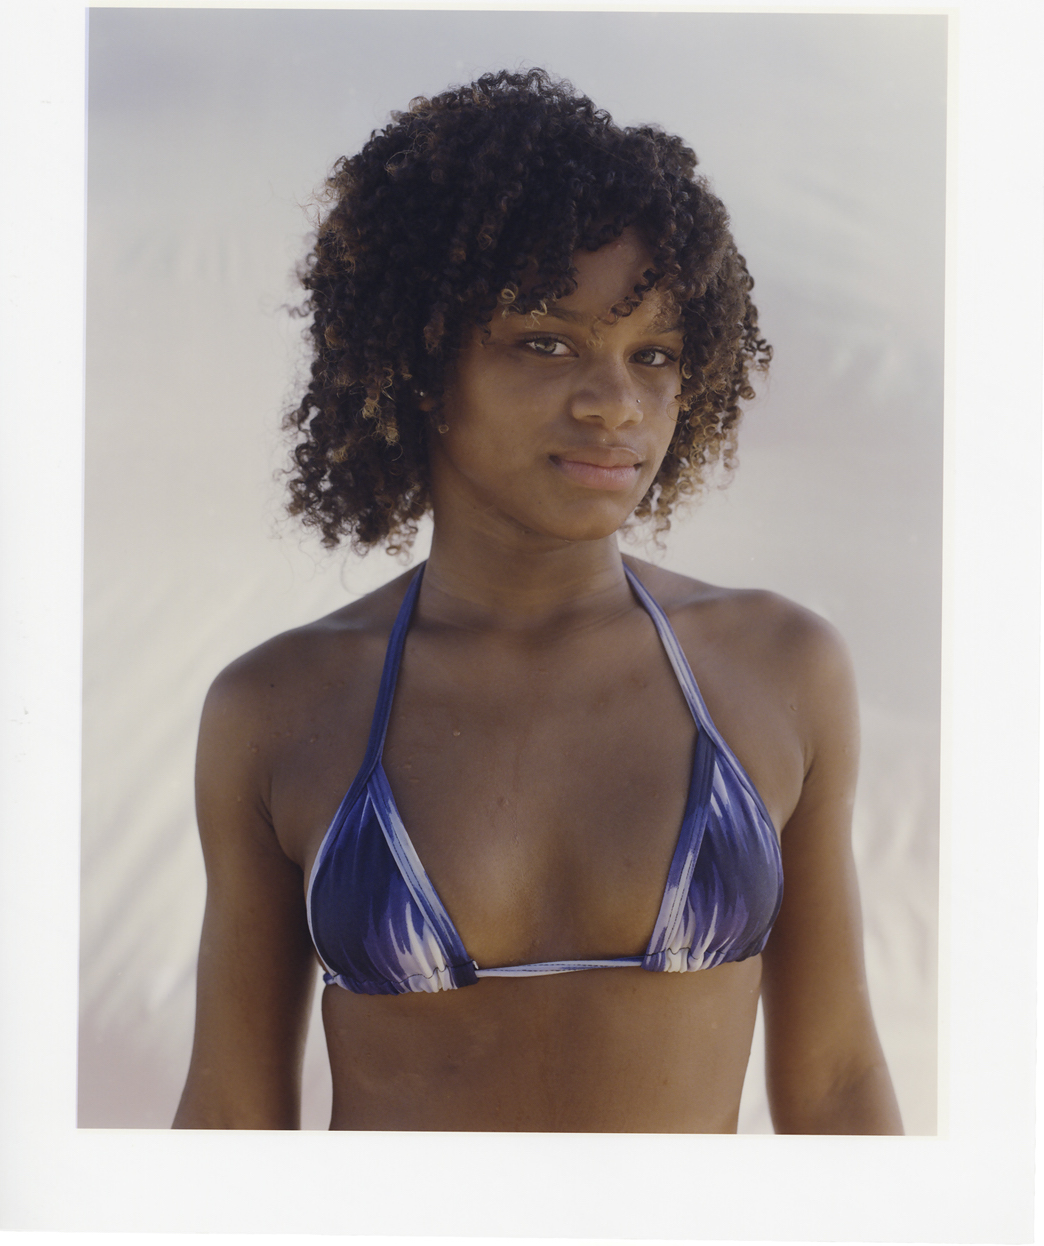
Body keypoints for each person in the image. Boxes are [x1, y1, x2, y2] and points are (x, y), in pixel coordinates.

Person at [172, 69, 902, 1134]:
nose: (616, 403)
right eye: (546, 341)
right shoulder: (278, 707)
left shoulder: (779, 670)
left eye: (653, 354)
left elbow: (835, 1083)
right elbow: (233, 1119)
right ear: (418, 359)